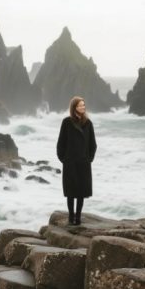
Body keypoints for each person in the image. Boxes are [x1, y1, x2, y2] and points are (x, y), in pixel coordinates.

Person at [56, 95, 97, 225]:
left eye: (84, 105)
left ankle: (78, 217)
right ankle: (70, 217)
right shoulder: (66, 122)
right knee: (70, 192)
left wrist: (89, 159)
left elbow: (93, 144)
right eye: (80, 105)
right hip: (70, 162)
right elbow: (60, 143)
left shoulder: (88, 123)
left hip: (83, 163)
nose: (83, 107)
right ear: (74, 107)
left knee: (81, 192)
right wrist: (64, 159)